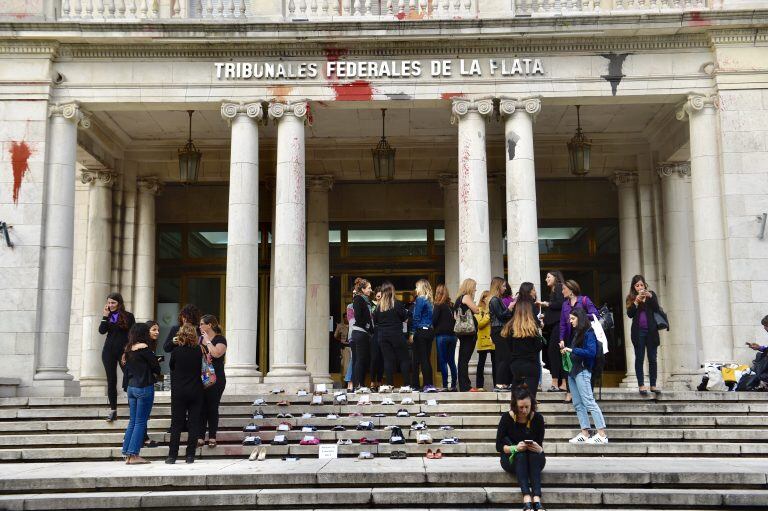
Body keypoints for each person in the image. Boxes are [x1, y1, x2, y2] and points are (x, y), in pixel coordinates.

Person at [560, 307, 608, 445]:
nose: (570, 321)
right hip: (573, 372)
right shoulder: (578, 333)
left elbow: (591, 352)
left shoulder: (589, 333)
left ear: (580, 318)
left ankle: (602, 434)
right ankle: (585, 433)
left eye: (573, 319)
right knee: (578, 404)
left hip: (582, 371)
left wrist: (572, 349)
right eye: (570, 319)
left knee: (588, 402)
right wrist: (567, 351)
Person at [496, 387, 547, 510]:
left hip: (534, 459)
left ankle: (537, 497)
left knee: (534, 455)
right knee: (520, 455)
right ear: (514, 406)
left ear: (532, 405)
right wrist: (515, 448)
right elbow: (498, 446)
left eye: (527, 407)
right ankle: (526, 496)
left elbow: (540, 444)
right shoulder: (506, 418)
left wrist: (539, 449)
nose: (524, 410)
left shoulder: (538, 419)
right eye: (521, 407)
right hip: (511, 459)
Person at [120, 323, 161, 465]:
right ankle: (134, 455)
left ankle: (127, 453)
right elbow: (157, 368)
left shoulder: (128, 350)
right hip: (144, 387)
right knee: (140, 422)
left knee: (133, 420)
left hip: (131, 388)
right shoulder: (145, 348)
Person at [166, 323, 204, 464]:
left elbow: (172, 366)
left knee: (176, 424)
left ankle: (172, 456)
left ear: (180, 335)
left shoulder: (176, 351)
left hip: (179, 392)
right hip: (196, 390)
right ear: (194, 335)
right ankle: (190, 456)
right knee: (194, 424)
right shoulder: (199, 351)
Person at [558, 280, 599, 403]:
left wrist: (581, 316)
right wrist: (561, 339)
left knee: (585, 363)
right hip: (570, 337)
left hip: (583, 335)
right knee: (569, 362)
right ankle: (570, 392)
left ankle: (588, 392)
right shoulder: (565, 305)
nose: (562, 291)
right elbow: (562, 324)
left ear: (571, 289)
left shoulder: (584, 300)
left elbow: (595, 315)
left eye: (564, 289)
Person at [503, 282, 544, 403]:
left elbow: (508, 346)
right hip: (531, 364)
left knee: (515, 400)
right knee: (530, 399)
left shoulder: (510, 329)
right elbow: (538, 346)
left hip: (516, 365)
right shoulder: (532, 330)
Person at [99, 292, 136, 422]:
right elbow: (102, 330)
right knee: (111, 380)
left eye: (113, 303)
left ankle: (133, 407)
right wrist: (104, 316)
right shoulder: (107, 316)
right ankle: (113, 410)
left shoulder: (128, 316)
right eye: (109, 302)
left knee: (129, 377)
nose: (110, 305)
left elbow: (132, 335)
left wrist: (128, 351)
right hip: (108, 351)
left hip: (123, 352)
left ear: (119, 303)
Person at [626, 275, 662, 395]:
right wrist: (636, 301)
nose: (640, 287)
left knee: (652, 359)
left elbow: (657, 309)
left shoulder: (651, 295)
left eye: (641, 285)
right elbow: (630, 314)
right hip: (638, 332)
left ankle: (653, 385)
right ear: (634, 287)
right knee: (639, 358)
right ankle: (641, 385)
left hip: (651, 332)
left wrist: (650, 297)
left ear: (645, 285)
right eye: (637, 285)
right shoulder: (631, 298)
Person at [373, 281, 410, 386]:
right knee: (404, 359)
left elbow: (375, 321)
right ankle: (406, 384)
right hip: (397, 334)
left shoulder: (378, 307)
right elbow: (405, 319)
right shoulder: (397, 304)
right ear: (392, 291)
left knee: (388, 360)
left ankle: (390, 385)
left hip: (383, 336)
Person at [199, 314, 227, 448]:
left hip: (216, 378)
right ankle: (200, 436)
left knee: (212, 406)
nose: (199, 327)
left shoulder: (220, 339)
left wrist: (208, 341)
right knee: (201, 406)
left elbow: (216, 353)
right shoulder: (199, 340)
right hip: (201, 377)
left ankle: (212, 436)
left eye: (202, 324)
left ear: (209, 325)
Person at [539, 271, 565, 392]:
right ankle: (562, 383)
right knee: (559, 353)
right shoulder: (556, 289)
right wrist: (545, 316)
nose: (546, 279)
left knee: (554, 352)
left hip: (559, 326)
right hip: (557, 325)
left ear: (555, 277)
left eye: (548, 277)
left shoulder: (559, 287)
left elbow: (560, 304)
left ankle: (556, 382)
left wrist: (546, 303)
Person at [410, 279, 436, 392]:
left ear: (421, 287)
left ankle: (425, 384)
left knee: (421, 359)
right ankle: (428, 384)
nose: (416, 289)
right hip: (429, 331)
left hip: (421, 331)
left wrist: (412, 333)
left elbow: (416, 317)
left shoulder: (420, 299)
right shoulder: (430, 301)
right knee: (426, 358)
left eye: (417, 287)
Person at [489, 277, 514, 391]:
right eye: (503, 286)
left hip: (501, 330)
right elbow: (501, 315)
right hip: (498, 330)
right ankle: (499, 383)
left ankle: (503, 383)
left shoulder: (497, 299)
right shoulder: (494, 300)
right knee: (503, 358)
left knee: (504, 357)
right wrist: (509, 308)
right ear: (498, 286)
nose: (505, 288)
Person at [455, 278, 481, 392]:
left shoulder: (458, 299)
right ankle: (466, 386)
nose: (475, 289)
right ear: (470, 287)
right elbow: (476, 310)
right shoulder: (466, 297)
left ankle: (463, 385)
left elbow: (455, 316)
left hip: (462, 332)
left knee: (462, 359)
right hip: (468, 333)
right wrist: (477, 305)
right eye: (474, 286)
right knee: (464, 360)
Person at [432, 284, 458, 391]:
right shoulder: (451, 305)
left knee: (443, 361)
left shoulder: (438, 305)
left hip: (442, 336)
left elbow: (434, 320)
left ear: (438, 293)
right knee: (451, 361)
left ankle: (445, 385)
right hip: (453, 336)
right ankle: (453, 385)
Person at [351, 278, 374, 389]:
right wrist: (367, 326)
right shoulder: (358, 299)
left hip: (364, 333)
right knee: (360, 359)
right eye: (369, 288)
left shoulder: (365, 300)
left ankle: (360, 384)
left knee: (362, 359)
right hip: (360, 333)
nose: (371, 290)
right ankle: (359, 384)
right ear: (363, 289)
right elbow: (359, 317)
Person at [474, 290, 495, 391]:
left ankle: (497, 384)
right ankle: (479, 386)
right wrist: (488, 315)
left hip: (493, 340)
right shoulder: (478, 309)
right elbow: (480, 324)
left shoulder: (494, 308)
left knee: (496, 363)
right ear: (483, 298)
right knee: (481, 363)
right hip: (483, 340)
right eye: (488, 297)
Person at [370, 286, 384, 391]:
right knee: (374, 358)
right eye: (377, 294)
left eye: (381, 294)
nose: (379, 296)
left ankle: (379, 381)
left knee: (382, 358)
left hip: (384, 333)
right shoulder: (371, 305)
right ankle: (372, 381)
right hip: (374, 333)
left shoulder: (386, 305)